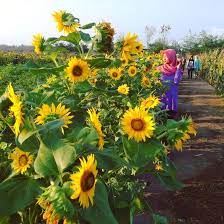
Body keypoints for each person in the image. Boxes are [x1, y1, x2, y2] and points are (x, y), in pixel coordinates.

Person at [157, 49, 183, 119]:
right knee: (161, 116)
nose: (164, 58)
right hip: (163, 96)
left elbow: (176, 81)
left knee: (171, 118)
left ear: (171, 57)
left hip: (172, 96)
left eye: (166, 57)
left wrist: (177, 69)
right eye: (163, 57)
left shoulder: (177, 70)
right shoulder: (160, 68)